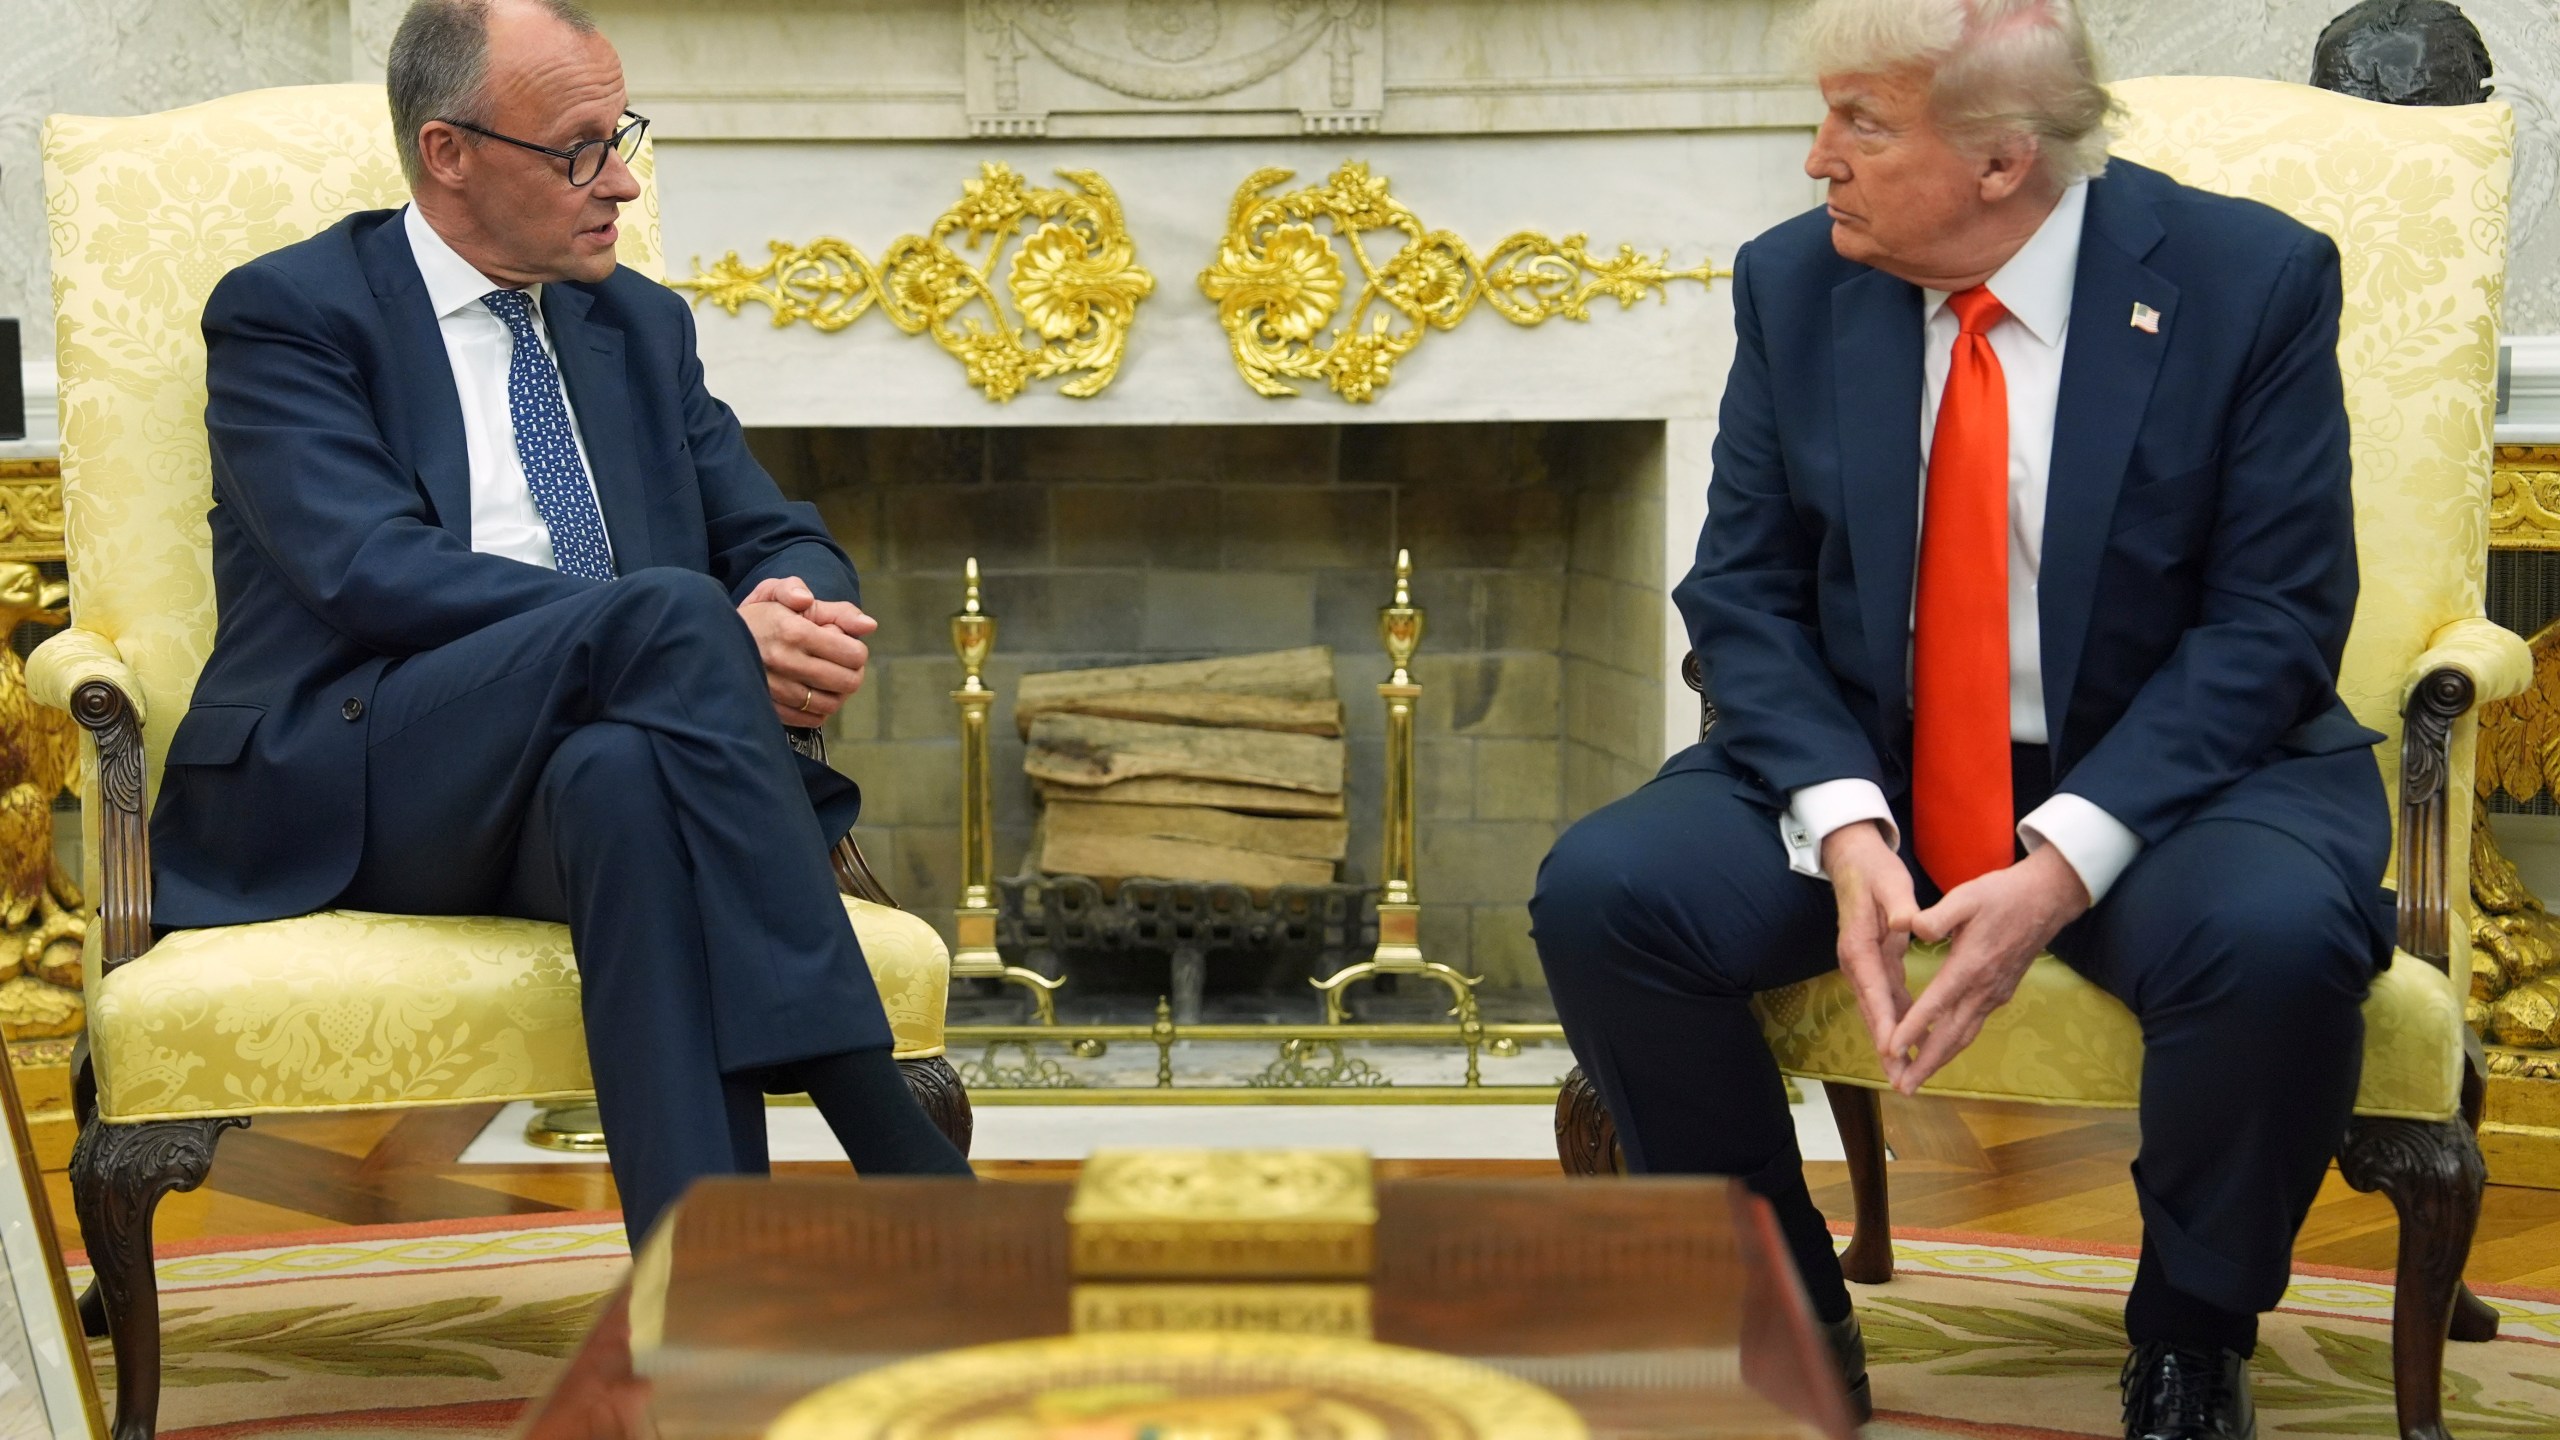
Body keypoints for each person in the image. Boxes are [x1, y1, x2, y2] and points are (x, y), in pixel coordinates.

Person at [1531, 2, 2392, 1436]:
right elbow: (1741, 594)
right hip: (1875, 756)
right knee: (1611, 892)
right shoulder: (1797, 284)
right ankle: (1777, 1300)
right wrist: (1848, 823)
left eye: (1861, 123)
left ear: (2003, 160)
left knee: (2274, 941)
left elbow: (2274, 623)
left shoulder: (2249, 282)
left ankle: (2190, 1339)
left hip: (2172, 772)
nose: (1819, 160)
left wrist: (2059, 863)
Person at [164, 0, 975, 1245]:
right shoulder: (291, 313)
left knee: (625, 781)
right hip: (364, 772)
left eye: (624, 135)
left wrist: (790, 603)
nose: (626, 184)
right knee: (662, 615)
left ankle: (703, 1292)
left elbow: (773, 528)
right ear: (449, 152)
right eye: (581, 149)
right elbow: (369, 572)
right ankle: (881, 1121)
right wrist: (686, 630)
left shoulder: (637, 325)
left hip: (587, 775)